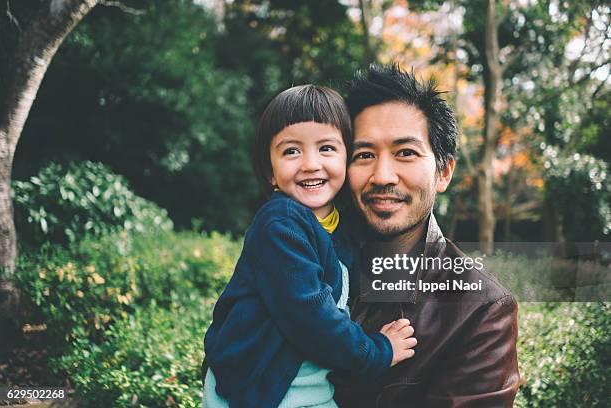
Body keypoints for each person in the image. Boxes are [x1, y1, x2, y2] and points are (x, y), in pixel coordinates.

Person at [202, 85, 417, 408]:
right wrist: (378, 351)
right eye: (291, 151)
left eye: (327, 148)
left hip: (306, 388)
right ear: (270, 171)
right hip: (259, 389)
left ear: (348, 159)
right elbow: (311, 315)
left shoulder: (342, 227)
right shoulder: (281, 225)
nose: (310, 164)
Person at [331, 64, 520, 407]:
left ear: (443, 172)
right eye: (364, 155)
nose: (383, 175)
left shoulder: (480, 312)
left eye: (405, 152)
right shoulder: (300, 258)